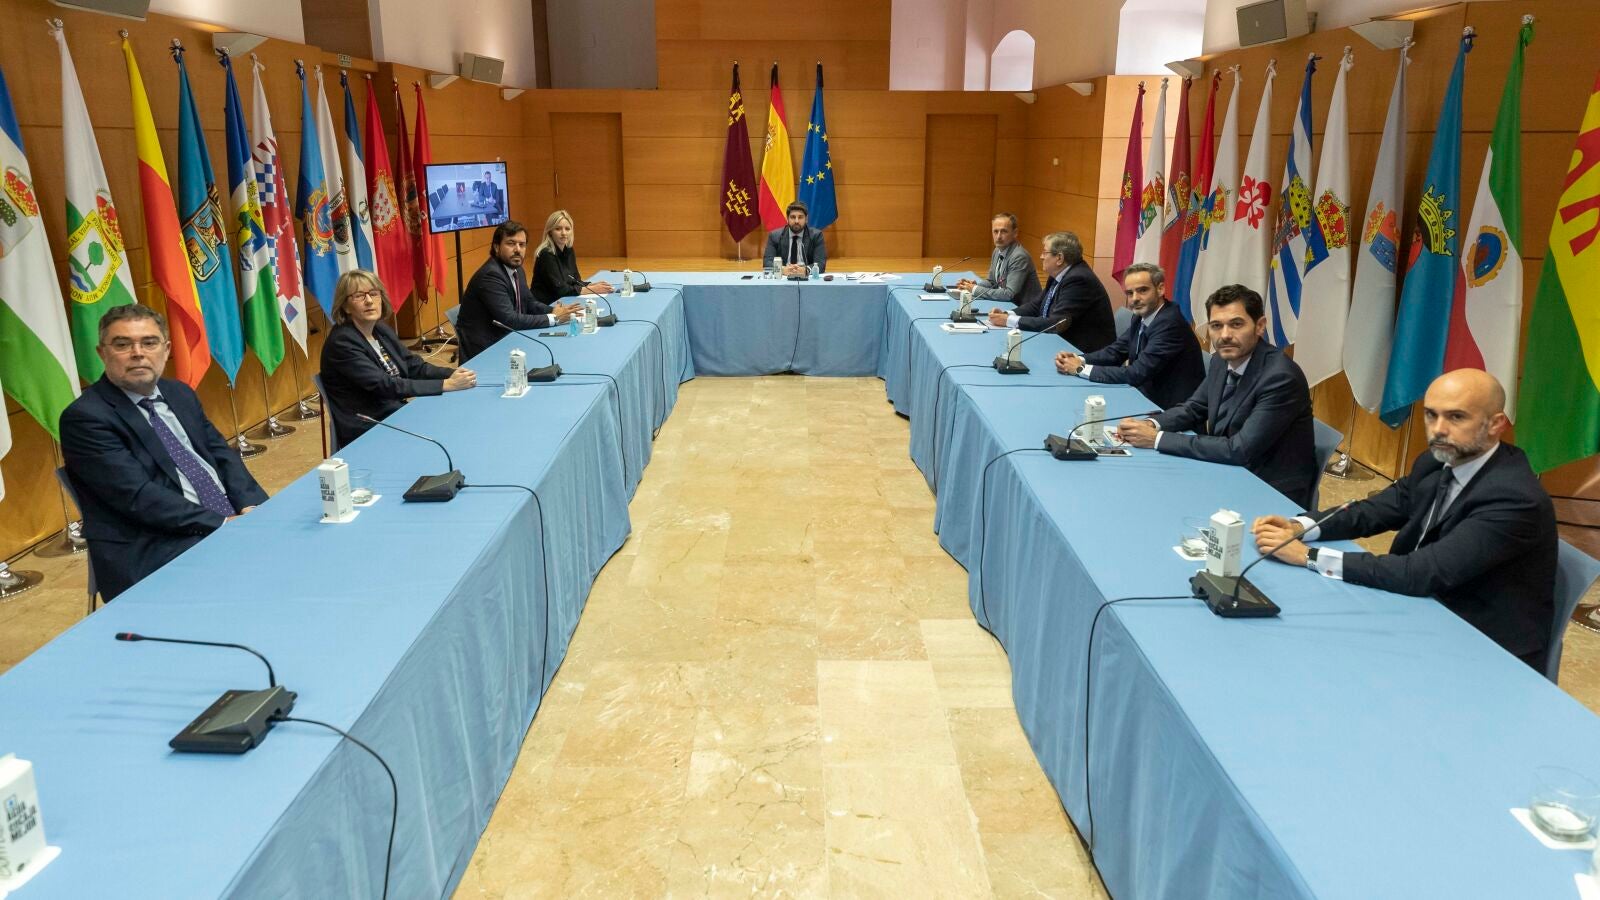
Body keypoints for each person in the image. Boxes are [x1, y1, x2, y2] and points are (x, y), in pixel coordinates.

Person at [1250, 370, 1558, 669]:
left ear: (1496, 424)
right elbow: (1375, 510)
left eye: (1456, 417)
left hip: (1481, 647)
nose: (1438, 429)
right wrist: (1302, 526)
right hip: (1421, 609)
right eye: (1431, 415)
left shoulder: (1514, 499)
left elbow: (1424, 571)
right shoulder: (1436, 461)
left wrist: (1309, 557)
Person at [59, 305, 267, 601]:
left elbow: (222, 455)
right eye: (122, 344)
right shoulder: (86, 418)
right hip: (154, 542)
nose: (138, 353)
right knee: (261, 580)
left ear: (166, 349)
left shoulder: (179, 393)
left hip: (219, 521)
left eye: (149, 342)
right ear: (102, 353)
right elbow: (138, 497)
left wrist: (250, 506)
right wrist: (223, 524)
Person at [1115, 284, 1317, 507]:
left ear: (1260, 326)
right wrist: (1150, 424)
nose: (1225, 335)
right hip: (1227, 470)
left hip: (1268, 490)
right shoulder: (1222, 359)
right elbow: (1194, 408)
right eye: (1216, 326)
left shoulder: (1280, 377)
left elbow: (1239, 449)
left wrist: (1156, 439)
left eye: (1236, 324)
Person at [320, 269, 476, 447]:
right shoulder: (342, 342)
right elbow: (385, 385)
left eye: (373, 293)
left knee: (457, 415)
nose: (369, 300)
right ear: (345, 306)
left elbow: (413, 366)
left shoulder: (379, 329)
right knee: (449, 426)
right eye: (359, 296)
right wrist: (445, 385)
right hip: (370, 426)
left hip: (392, 411)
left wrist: (452, 374)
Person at [1055, 261, 1205, 408]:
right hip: (1143, 395)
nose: (1135, 298)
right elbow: (1115, 352)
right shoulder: (1141, 316)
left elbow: (1136, 373)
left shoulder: (1170, 324)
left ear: (1160, 289)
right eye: (1130, 293)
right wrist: (1079, 359)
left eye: (1143, 290)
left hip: (1169, 409)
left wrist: (1080, 369)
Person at [455, 220, 584, 361]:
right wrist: (554, 318)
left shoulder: (517, 270)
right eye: (511, 243)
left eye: (522, 245)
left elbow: (529, 303)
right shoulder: (491, 275)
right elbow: (510, 320)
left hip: (508, 340)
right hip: (486, 352)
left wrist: (554, 310)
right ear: (496, 247)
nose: (517, 249)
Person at [986, 231, 1115, 352]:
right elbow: (1037, 305)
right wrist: (1007, 314)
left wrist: (1009, 321)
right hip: (1060, 342)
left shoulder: (1079, 280)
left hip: (1083, 352)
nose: (1041, 257)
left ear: (1059, 258)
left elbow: (1055, 323)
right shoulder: (1060, 273)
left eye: (1045, 252)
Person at [530, 209, 614, 306]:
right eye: (558, 229)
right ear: (550, 232)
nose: (564, 233)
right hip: (544, 305)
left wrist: (591, 285)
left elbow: (575, 280)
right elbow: (561, 290)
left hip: (561, 301)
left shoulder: (569, 250)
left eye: (567, 229)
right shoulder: (546, 254)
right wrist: (592, 289)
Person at [956, 212, 1040, 306]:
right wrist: (972, 286)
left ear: (1015, 233)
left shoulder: (1019, 257)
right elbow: (992, 282)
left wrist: (975, 289)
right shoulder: (997, 250)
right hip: (1007, 305)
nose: (999, 236)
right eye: (995, 231)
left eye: (1004, 231)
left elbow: (1009, 294)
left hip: (1024, 308)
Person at [762, 200, 828, 276]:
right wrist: (782, 269)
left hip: (806, 278)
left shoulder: (816, 236)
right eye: (793, 217)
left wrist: (806, 270)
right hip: (784, 277)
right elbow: (767, 262)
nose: (796, 221)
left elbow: (821, 263)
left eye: (800, 217)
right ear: (787, 218)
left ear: (806, 219)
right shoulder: (775, 236)